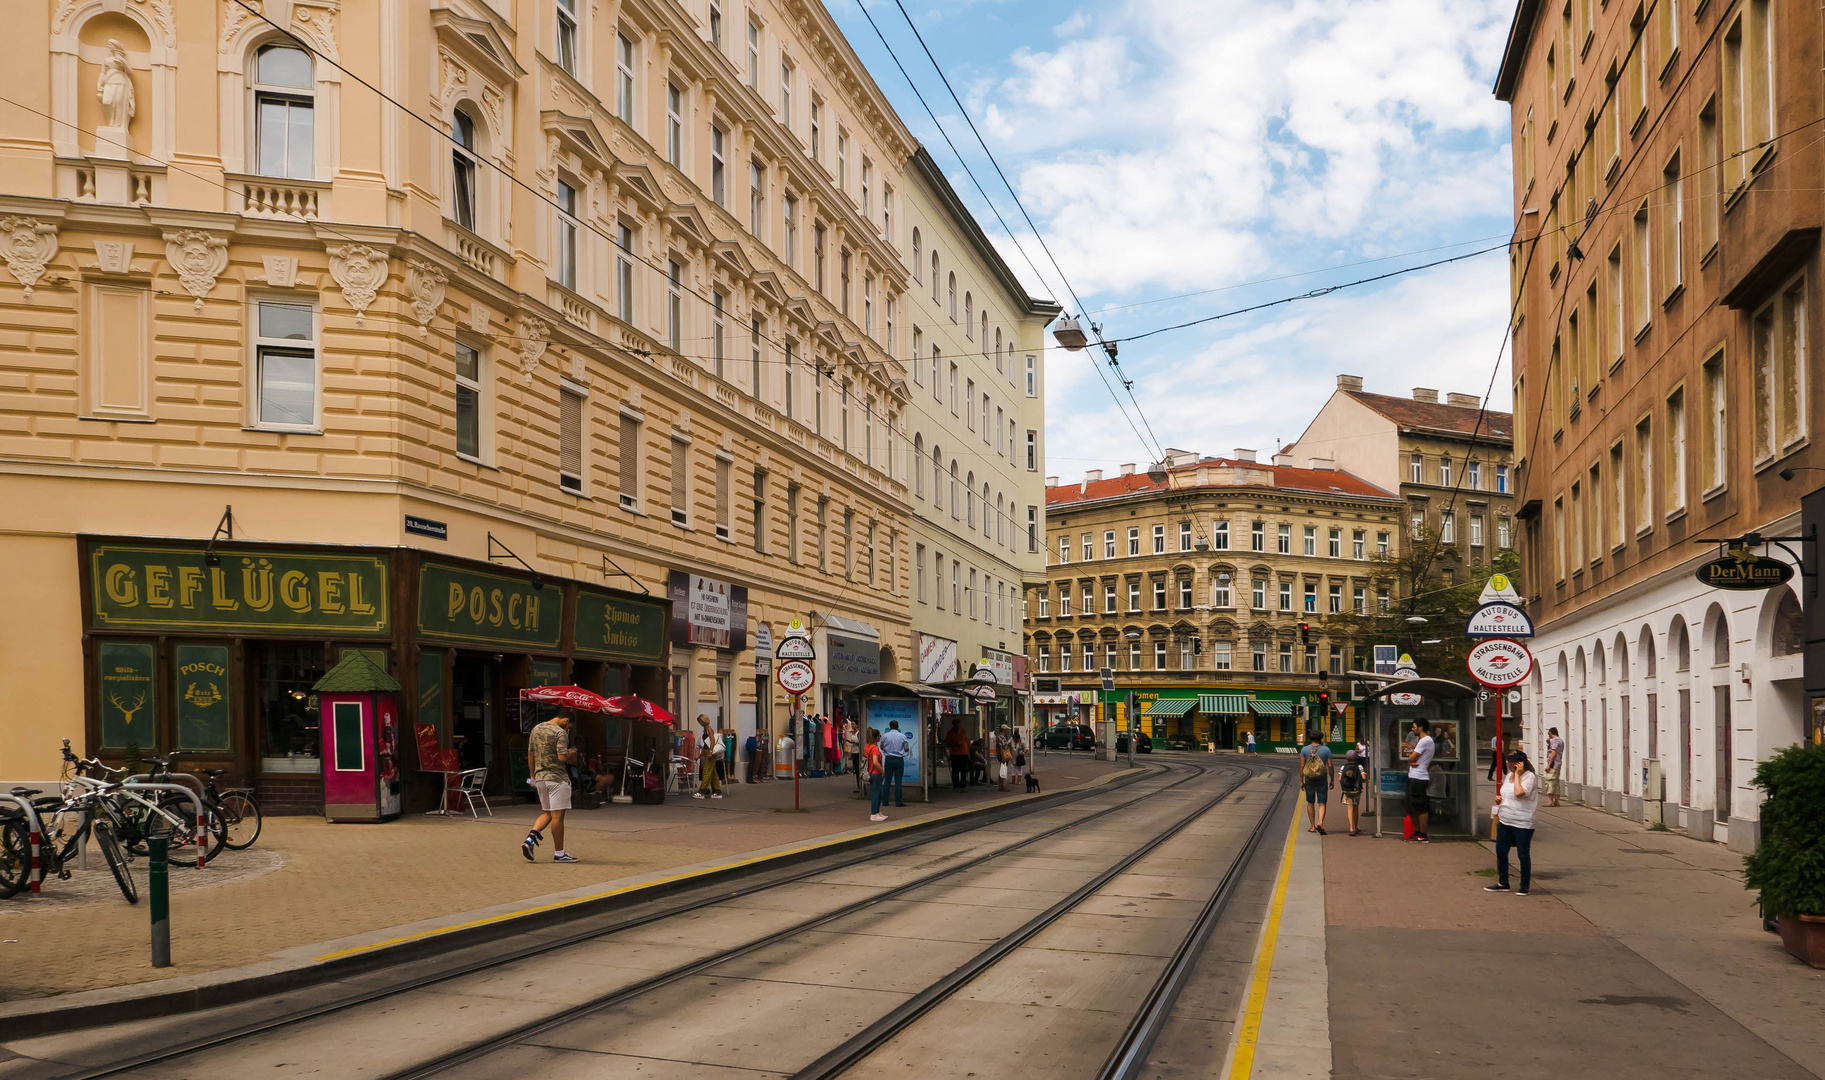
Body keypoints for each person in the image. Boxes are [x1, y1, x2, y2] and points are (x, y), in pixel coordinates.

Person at [523, 708, 580, 863]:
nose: (567, 730)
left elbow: (530, 753)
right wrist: (571, 752)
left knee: (547, 813)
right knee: (557, 817)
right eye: (569, 727)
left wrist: (532, 775)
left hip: (540, 777)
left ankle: (529, 840)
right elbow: (562, 757)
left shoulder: (536, 728)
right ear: (566, 720)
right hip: (557, 779)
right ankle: (559, 854)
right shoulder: (559, 732)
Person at [1486, 751, 1541, 894]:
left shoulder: (1529, 777)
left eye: (1515, 762)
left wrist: (1517, 774)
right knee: (1501, 850)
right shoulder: (1508, 776)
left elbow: (1519, 793)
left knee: (1523, 854)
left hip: (1523, 821)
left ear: (1522, 763)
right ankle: (1503, 882)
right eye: (1509, 761)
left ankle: (1524, 886)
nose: (1511, 764)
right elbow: (1507, 794)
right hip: (1505, 819)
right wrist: (1499, 798)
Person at [1404, 718, 1435, 843]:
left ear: (1420, 727)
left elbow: (1412, 756)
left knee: (1420, 806)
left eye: (1414, 726)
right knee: (1411, 806)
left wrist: (1411, 758)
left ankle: (1423, 834)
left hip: (1419, 777)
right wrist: (1412, 760)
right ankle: (1416, 832)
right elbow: (1413, 758)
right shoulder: (1423, 741)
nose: (1412, 729)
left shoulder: (1425, 740)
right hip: (1414, 776)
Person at [1299, 730, 1333, 834]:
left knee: (1310, 803)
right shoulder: (1326, 750)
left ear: (1310, 738)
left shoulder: (1305, 749)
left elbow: (1302, 766)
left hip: (1309, 779)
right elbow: (1330, 765)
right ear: (1321, 738)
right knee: (1322, 803)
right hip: (1322, 779)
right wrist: (1332, 779)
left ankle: (1312, 826)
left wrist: (1302, 781)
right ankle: (1320, 822)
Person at [879, 719, 910, 808]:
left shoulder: (885, 736)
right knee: (898, 781)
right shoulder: (903, 736)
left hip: (889, 759)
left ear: (890, 727)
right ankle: (898, 802)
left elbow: (882, 746)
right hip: (899, 760)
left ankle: (885, 801)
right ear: (898, 727)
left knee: (887, 781)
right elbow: (906, 749)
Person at [694, 715, 724, 799]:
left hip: (710, 753)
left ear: (703, 721)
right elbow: (705, 744)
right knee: (713, 772)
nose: (699, 723)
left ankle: (702, 791)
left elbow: (712, 741)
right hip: (706, 752)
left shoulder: (709, 729)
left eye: (700, 721)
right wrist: (702, 753)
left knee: (706, 771)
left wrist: (710, 752)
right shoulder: (705, 730)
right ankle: (717, 791)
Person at [1339, 748, 1366, 836]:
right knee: (1356, 808)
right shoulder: (1359, 767)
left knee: (1349, 809)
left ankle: (1351, 828)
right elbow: (1364, 777)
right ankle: (1356, 827)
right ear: (1356, 758)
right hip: (1357, 790)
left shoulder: (1343, 767)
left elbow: (1340, 778)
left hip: (1347, 791)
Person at [864, 727, 887, 821]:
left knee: (878, 792)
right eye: (879, 735)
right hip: (876, 773)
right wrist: (882, 771)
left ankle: (877, 812)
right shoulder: (875, 749)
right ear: (877, 737)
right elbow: (875, 762)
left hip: (870, 771)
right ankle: (874, 813)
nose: (880, 737)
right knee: (876, 793)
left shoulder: (867, 747)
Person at [946, 717, 970, 791]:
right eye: (956, 724)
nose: (957, 726)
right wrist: (955, 744)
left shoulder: (962, 731)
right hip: (955, 754)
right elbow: (950, 743)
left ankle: (963, 786)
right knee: (955, 771)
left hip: (963, 753)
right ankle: (956, 785)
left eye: (958, 724)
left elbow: (961, 741)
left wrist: (968, 753)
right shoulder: (950, 732)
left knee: (963, 770)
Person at [1543, 727, 1565, 807]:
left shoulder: (1555, 741)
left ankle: (1550, 801)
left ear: (1551, 733)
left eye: (1548, 733)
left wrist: (1549, 764)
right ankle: (1557, 801)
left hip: (1553, 764)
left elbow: (1553, 752)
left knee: (1550, 781)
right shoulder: (1560, 740)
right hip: (1558, 763)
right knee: (1556, 782)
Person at [995, 725, 1014, 792]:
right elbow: (1001, 747)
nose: (1007, 731)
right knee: (1002, 770)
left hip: (1003, 755)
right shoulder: (1001, 737)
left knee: (1003, 769)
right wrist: (1003, 757)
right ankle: (1001, 786)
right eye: (1007, 729)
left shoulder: (1002, 737)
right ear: (1004, 729)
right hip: (1003, 755)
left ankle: (1001, 785)